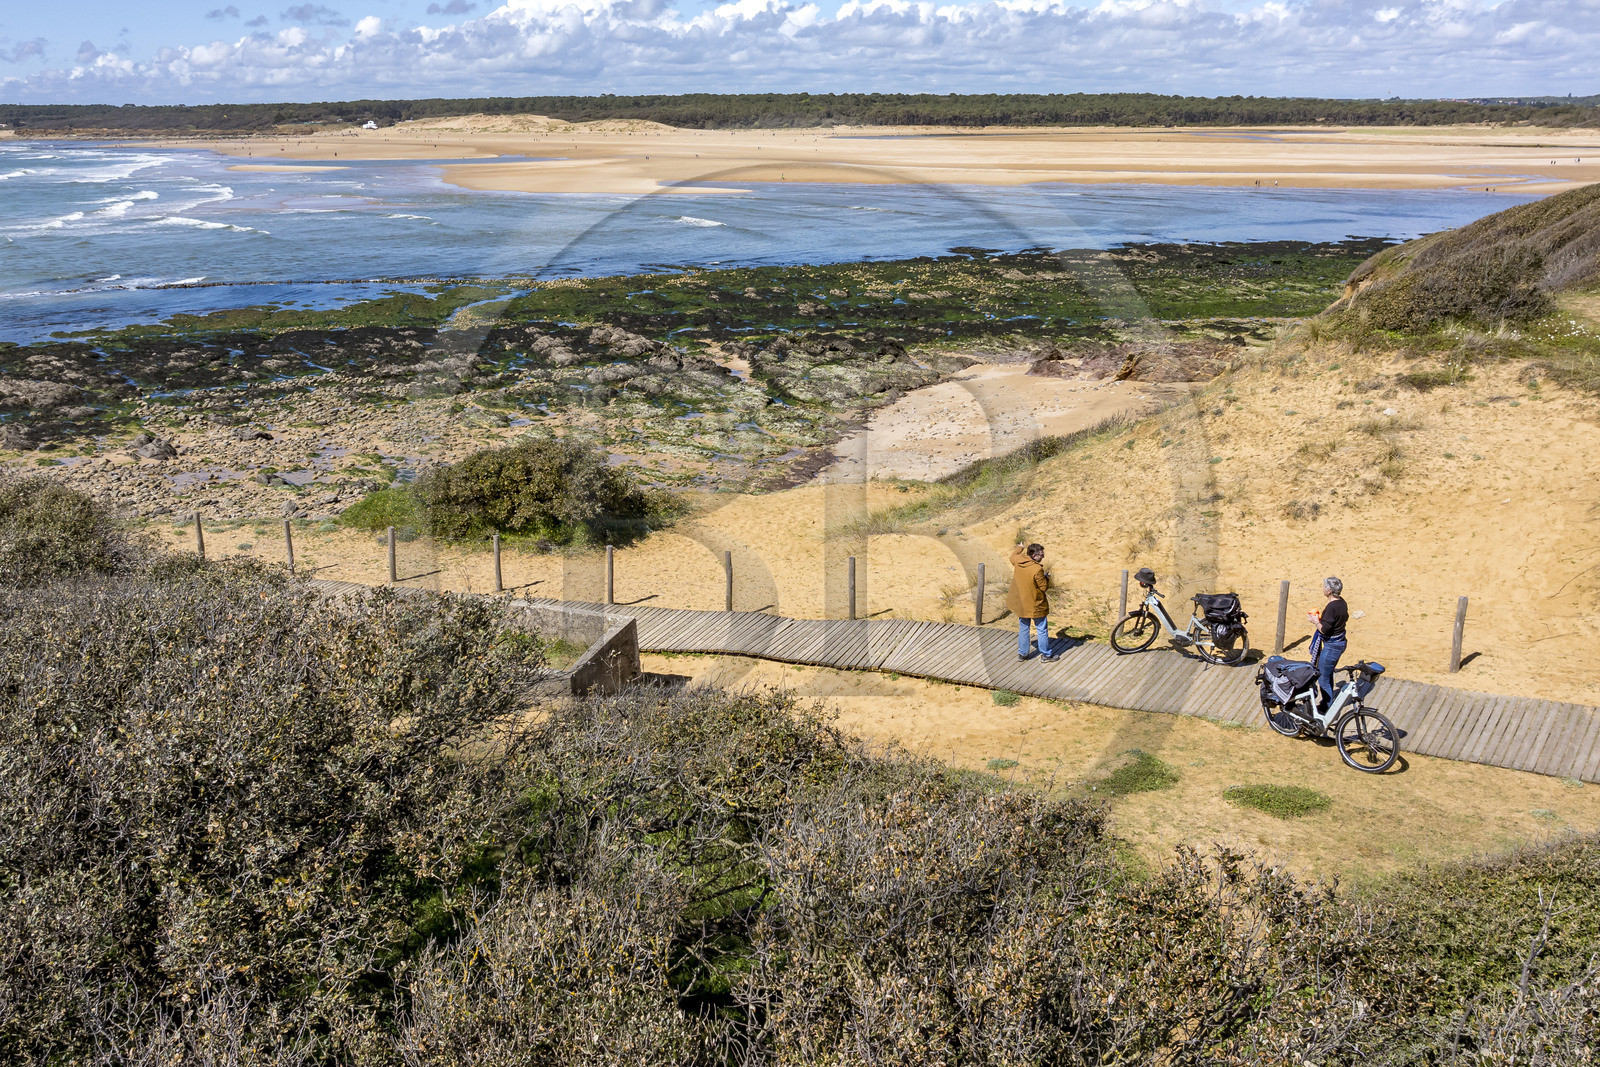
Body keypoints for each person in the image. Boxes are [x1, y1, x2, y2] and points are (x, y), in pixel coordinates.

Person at [1307, 577, 1349, 707]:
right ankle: (1328, 701)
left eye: (1324, 587)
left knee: (1323, 676)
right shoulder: (1342, 602)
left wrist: (1316, 621)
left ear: (1329, 590)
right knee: (1327, 672)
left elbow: (1324, 630)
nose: (1323, 589)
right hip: (1339, 642)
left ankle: (1327, 705)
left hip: (1332, 646)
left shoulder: (1332, 607)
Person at [1007, 543, 1053, 660]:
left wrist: (1020, 547)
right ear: (1034, 555)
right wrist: (1046, 577)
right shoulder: (1037, 569)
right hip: (1035, 604)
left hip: (1021, 603)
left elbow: (1012, 556)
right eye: (1041, 555)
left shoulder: (1018, 560)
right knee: (1041, 629)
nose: (1043, 557)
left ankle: (1022, 654)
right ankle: (1045, 655)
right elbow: (1043, 587)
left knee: (1024, 627)